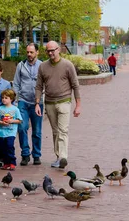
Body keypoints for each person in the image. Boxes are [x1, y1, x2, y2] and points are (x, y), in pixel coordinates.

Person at [34, 40, 81, 169]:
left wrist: (78, 105)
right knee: (55, 131)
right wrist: (37, 103)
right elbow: (38, 86)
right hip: (49, 103)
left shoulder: (67, 65)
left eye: (52, 50)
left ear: (58, 49)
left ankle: (63, 157)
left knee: (63, 130)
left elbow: (75, 85)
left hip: (64, 102)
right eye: (48, 51)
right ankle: (58, 156)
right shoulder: (43, 66)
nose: (50, 53)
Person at [13, 43, 42, 166]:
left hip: (37, 103)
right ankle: (25, 154)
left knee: (37, 131)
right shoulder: (21, 65)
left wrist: (41, 98)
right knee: (22, 127)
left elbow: (45, 83)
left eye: (31, 52)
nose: (29, 54)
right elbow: (16, 83)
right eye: (28, 52)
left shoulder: (42, 66)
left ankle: (36, 155)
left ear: (37, 52)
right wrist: (15, 101)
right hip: (23, 102)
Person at [0, 89, 22, 171]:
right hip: (1, 132)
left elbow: (19, 120)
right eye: (2, 98)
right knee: (2, 148)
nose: (4, 99)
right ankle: (6, 163)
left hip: (11, 132)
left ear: (11, 99)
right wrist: (1, 122)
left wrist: (12, 121)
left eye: (6, 98)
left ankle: (12, 162)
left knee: (9, 146)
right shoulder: (0, 108)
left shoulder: (15, 109)